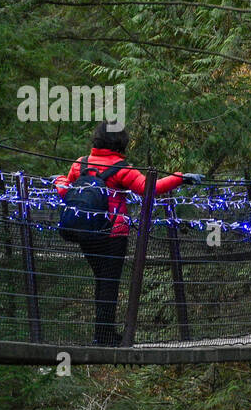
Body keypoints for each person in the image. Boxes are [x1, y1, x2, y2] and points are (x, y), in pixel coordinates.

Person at [54, 121, 202, 345]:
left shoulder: (80, 164)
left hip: (86, 232)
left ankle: (103, 334)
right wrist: (180, 178)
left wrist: (58, 181)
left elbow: (66, 190)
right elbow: (148, 188)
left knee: (102, 279)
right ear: (120, 142)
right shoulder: (122, 168)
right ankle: (104, 336)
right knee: (109, 281)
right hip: (113, 233)